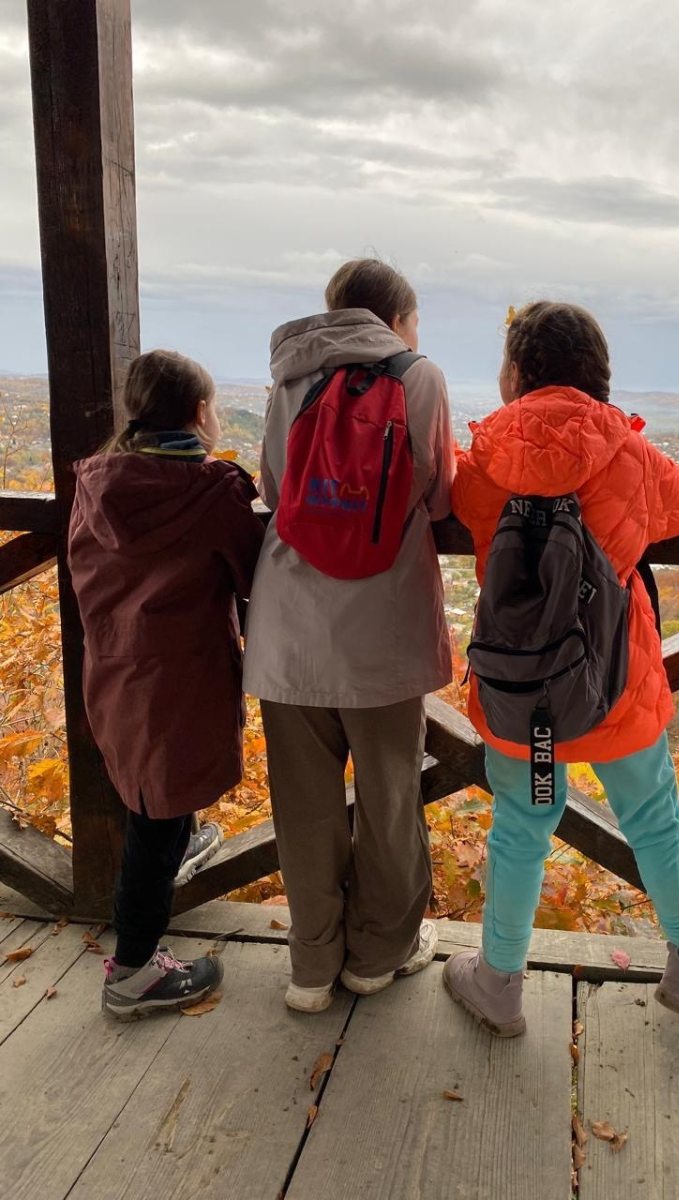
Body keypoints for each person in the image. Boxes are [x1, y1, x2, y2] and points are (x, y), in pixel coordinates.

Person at [443, 301, 679, 1036]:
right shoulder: (627, 454)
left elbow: (456, 501)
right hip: (615, 688)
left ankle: (499, 982)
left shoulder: (486, 458)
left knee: (523, 826)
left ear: (515, 373)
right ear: (598, 374)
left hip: (525, 694)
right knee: (654, 823)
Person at [243, 258, 454, 1013]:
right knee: (390, 799)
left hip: (287, 629)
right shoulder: (419, 376)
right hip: (382, 629)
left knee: (304, 809)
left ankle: (311, 968)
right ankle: (377, 955)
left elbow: (274, 488)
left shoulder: (290, 373)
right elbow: (440, 495)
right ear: (396, 319)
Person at [68, 349, 264, 1019]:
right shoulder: (210, 491)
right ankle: (132, 972)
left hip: (114, 670)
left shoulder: (96, 483)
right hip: (181, 677)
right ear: (201, 413)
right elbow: (255, 576)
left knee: (150, 795)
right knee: (155, 822)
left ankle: (182, 846)